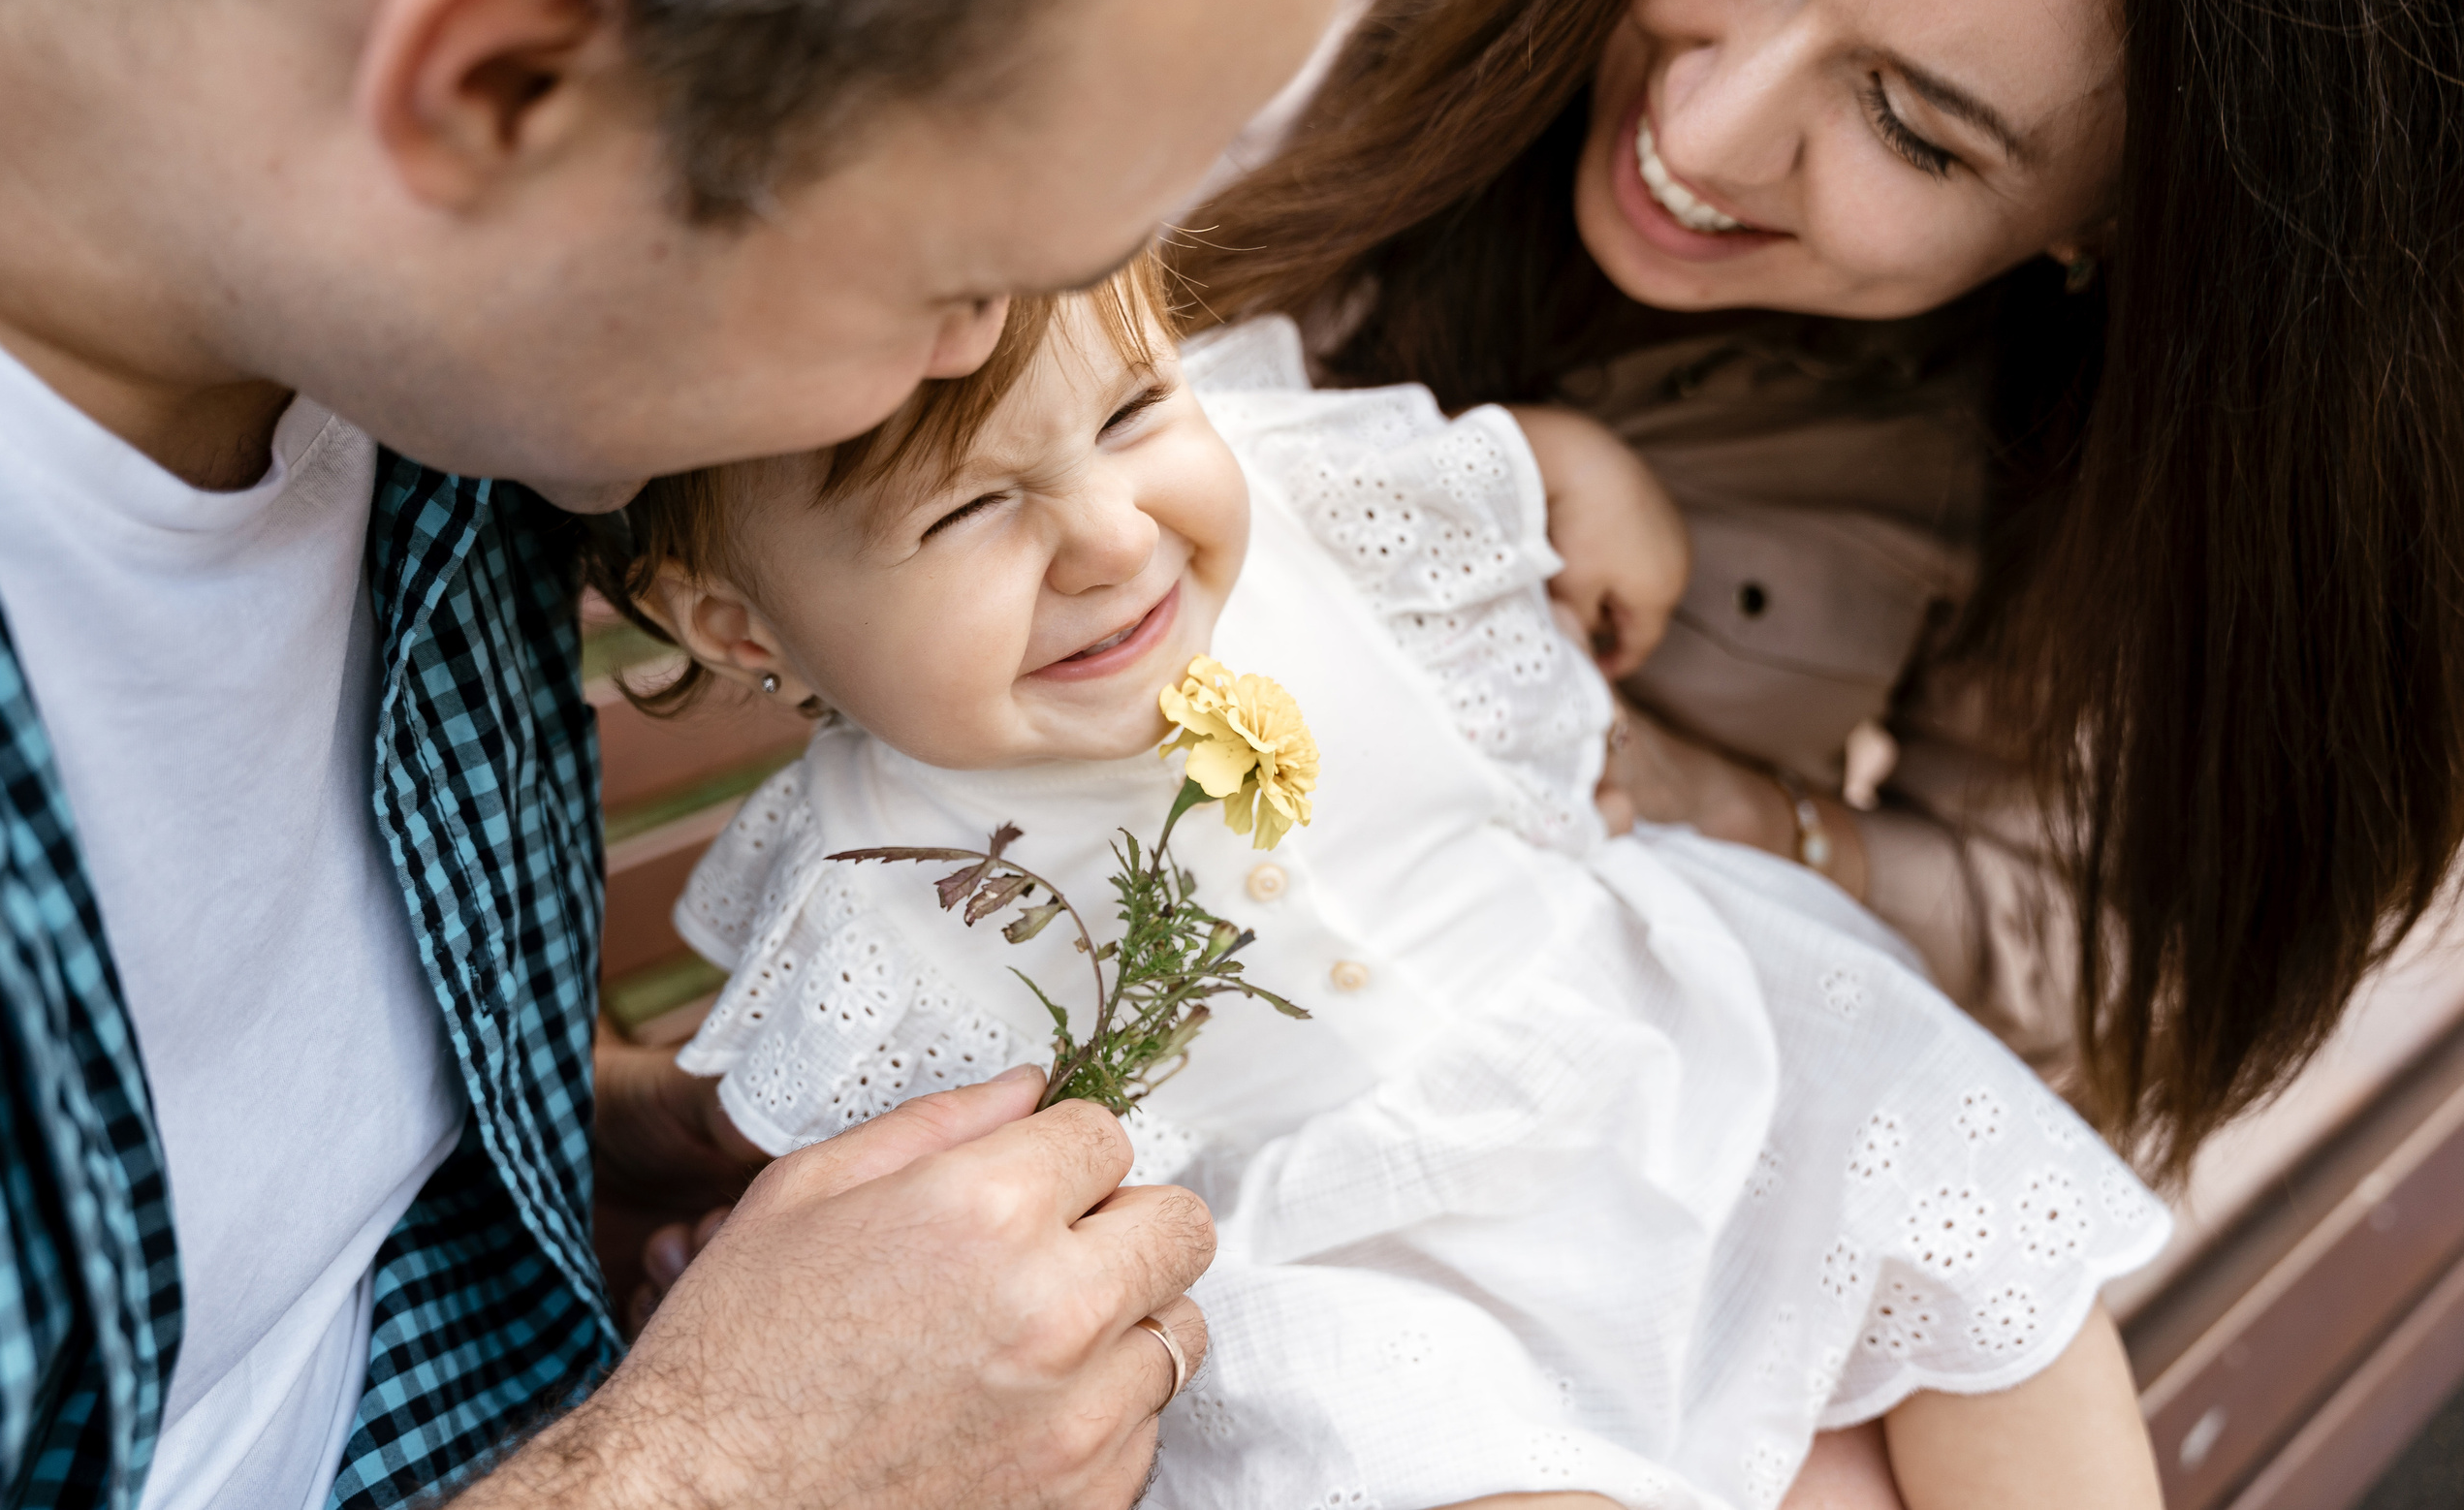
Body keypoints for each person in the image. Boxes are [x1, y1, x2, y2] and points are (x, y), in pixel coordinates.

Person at [0, 0, 1385, 1504]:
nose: (980, 355)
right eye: (958, 281)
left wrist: (596, 1135)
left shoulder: (431, 354)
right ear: (506, 83)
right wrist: (709, 1472)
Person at [584, 252, 2171, 1510]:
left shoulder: (1317, 501)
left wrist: (1581, 470)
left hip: (1633, 1043)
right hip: (1332, 1265)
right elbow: (907, 1207)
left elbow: (1473, 465)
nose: (1110, 537)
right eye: (971, 508)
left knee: (1977, 1239)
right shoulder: (867, 898)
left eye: (1139, 412)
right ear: (738, 629)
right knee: (1426, 1460)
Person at [1179, 0, 2464, 1194]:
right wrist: (1472, 479)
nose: (1707, 132)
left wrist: (1747, 815)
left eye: (1910, 125)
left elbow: (2101, 958)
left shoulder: (2061, 474)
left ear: (2120, 219)